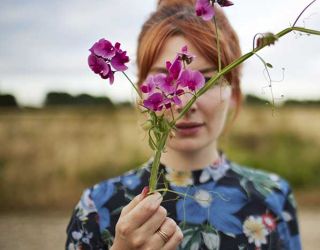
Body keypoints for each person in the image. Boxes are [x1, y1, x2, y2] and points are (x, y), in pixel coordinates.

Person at [66, 0, 302, 249]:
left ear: (233, 93)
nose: (185, 103)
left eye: (209, 79)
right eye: (164, 78)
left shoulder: (273, 196)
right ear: (141, 92)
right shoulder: (96, 207)